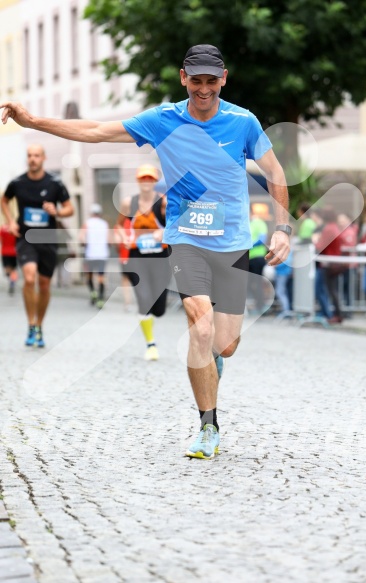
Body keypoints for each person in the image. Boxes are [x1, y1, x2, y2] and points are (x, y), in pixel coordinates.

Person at [0, 44, 290, 459]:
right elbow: (95, 131)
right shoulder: (162, 120)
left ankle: (210, 361)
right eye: (196, 81)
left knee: (224, 344)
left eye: (211, 81)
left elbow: (275, 171)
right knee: (200, 326)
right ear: (183, 77)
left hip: (232, 244)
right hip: (186, 239)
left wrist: (282, 227)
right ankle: (208, 426)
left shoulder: (243, 122)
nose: (203, 89)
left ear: (223, 78)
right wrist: (32, 121)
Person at [0, 145, 74, 347]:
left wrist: (56, 211)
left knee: (44, 284)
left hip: (48, 238)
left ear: (44, 158)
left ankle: (39, 326)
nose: (33, 159)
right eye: (30, 156)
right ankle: (31, 324)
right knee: (29, 276)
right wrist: (11, 221)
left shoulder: (55, 183)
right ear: (27, 159)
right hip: (25, 238)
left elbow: (70, 209)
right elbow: (3, 200)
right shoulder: (17, 183)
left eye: (36, 156)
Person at [116, 164, 170, 361]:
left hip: (160, 258)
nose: (146, 182)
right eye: (143, 178)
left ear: (155, 181)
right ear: (138, 181)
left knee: (159, 309)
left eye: (150, 178)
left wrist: (163, 231)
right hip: (137, 257)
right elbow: (119, 225)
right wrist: (125, 237)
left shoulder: (164, 202)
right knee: (144, 298)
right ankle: (151, 344)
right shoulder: (128, 203)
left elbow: (176, 224)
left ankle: (153, 319)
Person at [313, 207, 344, 324]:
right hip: (333, 262)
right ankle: (335, 314)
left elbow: (320, 246)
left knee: (327, 290)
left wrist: (315, 240)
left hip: (328, 263)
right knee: (332, 290)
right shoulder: (335, 227)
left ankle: (332, 314)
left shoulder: (328, 229)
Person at [81, 203, 110, 309]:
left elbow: (81, 238)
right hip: (102, 253)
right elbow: (108, 239)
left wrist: (85, 244)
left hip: (90, 254)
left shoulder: (87, 223)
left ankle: (93, 292)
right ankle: (101, 299)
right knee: (101, 277)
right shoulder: (104, 224)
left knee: (89, 276)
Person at [247, 204, 269, 314]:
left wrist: (249, 245)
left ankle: (261, 306)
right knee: (249, 283)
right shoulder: (248, 223)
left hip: (258, 257)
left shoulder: (259, 223)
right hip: (249, 257)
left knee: (257, 282)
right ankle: (258, 305)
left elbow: (262, 239)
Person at [0, 223, 18, 294]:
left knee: (7, 268)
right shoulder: (16, 228)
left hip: (5, 251)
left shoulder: (3, 228)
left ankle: (10, 278)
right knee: (13, 269)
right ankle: (12, 281)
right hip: (15, 251)